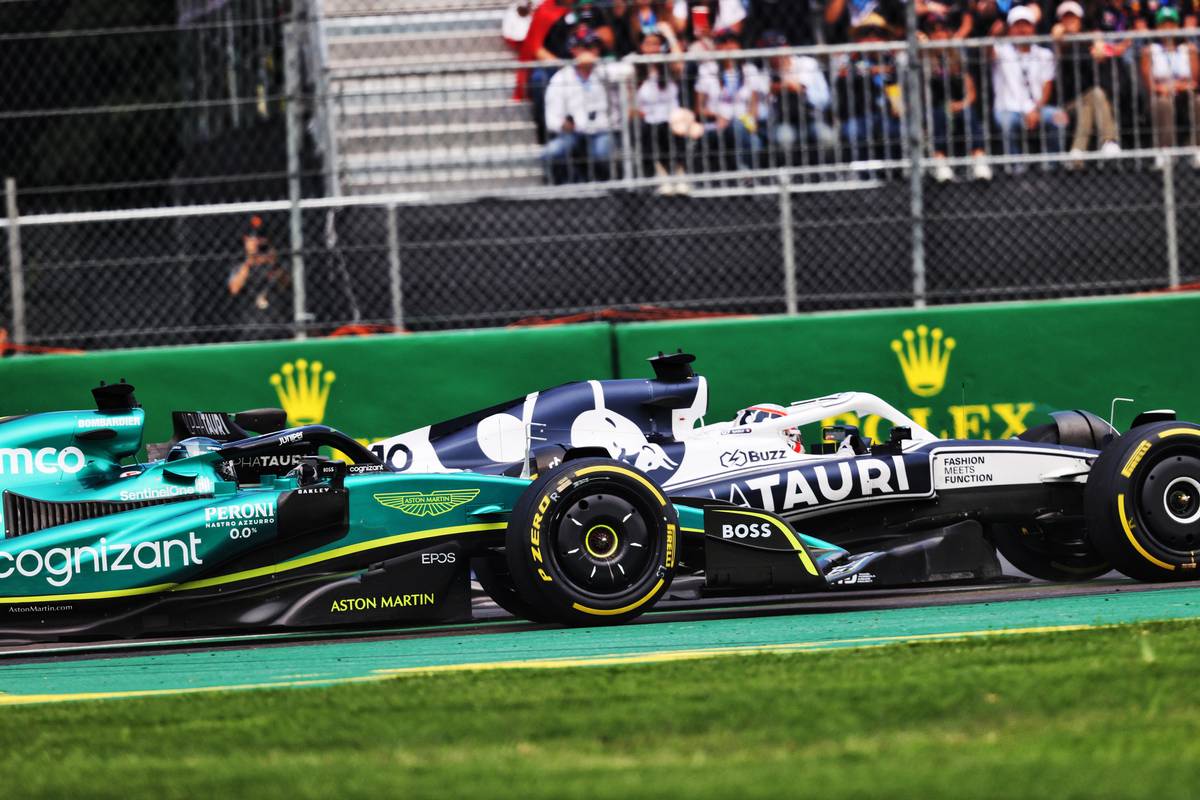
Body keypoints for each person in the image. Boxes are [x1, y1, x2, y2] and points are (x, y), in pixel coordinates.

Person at [992, 5, 1068, 165]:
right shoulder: (1000, 51)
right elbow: (986, 52)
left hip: (1036, 108)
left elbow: (1047, 86)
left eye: (1026, 25)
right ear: (1010, 29)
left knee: (1060, 117)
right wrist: (993, 35)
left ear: (1033, 28)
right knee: (1007, 123)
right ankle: (1015, 167)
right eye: (1017, 25)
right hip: (1009, 109)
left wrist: (1036, 110)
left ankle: (1051, 165)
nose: (1022, 29)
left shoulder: (1044, 54)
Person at [924, 11, 992, 180]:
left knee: (969, 114)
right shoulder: (922, 57)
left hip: (958, 104)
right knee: (938, 116)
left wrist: (962, 104)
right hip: (934, 107)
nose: (939, 35)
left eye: (942, 30)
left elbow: (971, 92)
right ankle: (940, 163)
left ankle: (979, 161)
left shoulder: (958, 57)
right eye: (934, 31)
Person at [542, 28, 616, 183]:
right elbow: (551, 119)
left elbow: (628, 71)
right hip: (573, 133)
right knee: (553, 151)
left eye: (593, 47)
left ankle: (606, 189)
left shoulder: (607, 71)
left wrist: (596, 64)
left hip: (601, 130)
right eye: (584, 47)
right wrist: (563, 125)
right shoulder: (561, 78)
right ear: (574, 50)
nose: (589, 52)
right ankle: (564, 190)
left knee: (602, 151)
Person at [1052, 1, 1121, 162]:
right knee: (1094, 95)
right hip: (1065, 105)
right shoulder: (1055, 44)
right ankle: (1109, 140)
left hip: (1088, 101)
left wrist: (1097, 47)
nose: (1069, 22)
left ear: (1080, 20)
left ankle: (1076, 154)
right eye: (1065, 19)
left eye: (1073, 18)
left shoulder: (1090, 42)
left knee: (1088, 104)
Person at [833, 13, 903, 165]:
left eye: (878, 34)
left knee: (898, 130)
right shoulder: (850, 60)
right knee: (853, 131)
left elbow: (896, 87)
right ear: (858, 39)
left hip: (887, 115)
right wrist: (871, 71)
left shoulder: (893, 60)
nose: (872, 39)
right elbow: (845, 79)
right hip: (859, 114)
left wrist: (898, 106)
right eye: (866, 34)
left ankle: (895, 174)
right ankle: (863, 177)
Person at [759, 30, 838, 166]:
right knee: (784, 139)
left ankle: (827, 175)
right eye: (770, 50)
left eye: (778, 48)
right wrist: (785, 84)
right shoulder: (764, 73)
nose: (775, 55)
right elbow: (763, 111)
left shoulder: (807, 63)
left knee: (827, 138)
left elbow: (823, 99)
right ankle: (790, 178)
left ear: (787, 47)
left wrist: (789, 87)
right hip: (783, 121)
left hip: (812, 116)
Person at [694, 28, 767, 172]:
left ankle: (746, 175)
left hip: (743, 123)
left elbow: (754, 106)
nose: (728, 48)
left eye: (732, 43)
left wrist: (749, 122)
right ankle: (745, 173)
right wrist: (717, 116)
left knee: (752, 139)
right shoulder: (707, 70)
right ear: (716, 47)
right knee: (737, 130)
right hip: (717, 124)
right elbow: (698, 108)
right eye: (723, 43)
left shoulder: (749, 70)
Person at [1141, 6, 1200, 167]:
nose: (1168, 28)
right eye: (1163, 25)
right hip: (1160, 97)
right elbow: (1149, 84)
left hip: (1183, 96)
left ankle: (1195, 147)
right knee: (1163, 103)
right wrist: (1164, 89)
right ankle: (1166, 150)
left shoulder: (1189, 50)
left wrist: (1177, 86)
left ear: (1177, 27)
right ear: (1158, 28)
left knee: (1198, 101)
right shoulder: (1150, 51)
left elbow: (1194, 81)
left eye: (1171, 24)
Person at [633, 30, 691, 192]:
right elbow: (632, 105)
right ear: (642, 47)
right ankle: (662, 176)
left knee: (675, 128)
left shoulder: (669, 68)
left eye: (656, 44)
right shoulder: (636, 70)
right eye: (648, 44)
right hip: (649, 119)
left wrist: (670, 35)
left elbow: (680, 61)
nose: (652, 48)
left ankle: (681, 175)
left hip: (672, 118)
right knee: (648, 131)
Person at [227, 215, 290, 340]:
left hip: (278, 327)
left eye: (260, 237)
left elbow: (285, 283)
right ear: (245, 240)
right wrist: (250, 262)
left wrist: (272, 262)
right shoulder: (239, 265)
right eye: (253, 238)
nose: (257, 241)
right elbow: (234, 288)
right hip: (249, 329)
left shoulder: (277, 263)